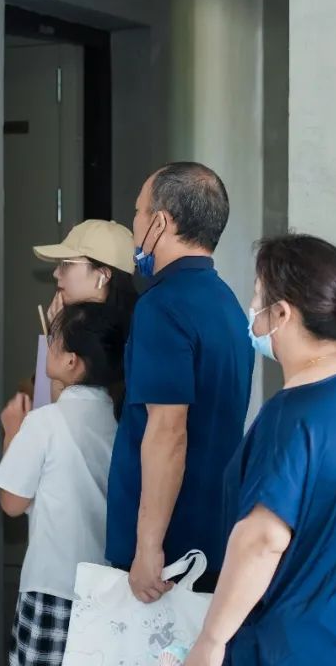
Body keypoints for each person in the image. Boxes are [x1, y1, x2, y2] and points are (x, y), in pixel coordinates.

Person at [182, 234, 336, 666]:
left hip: (301, 649)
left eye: (257, 296)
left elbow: (263, 539)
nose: (252, 309)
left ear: (282, 313)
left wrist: (210, 641)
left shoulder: (292, 418)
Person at [107, 162, 254, 602]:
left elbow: (168, 431)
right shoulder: (226, 303)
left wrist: (148, 547)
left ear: (160, 222)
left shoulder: (163, 307)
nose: (134, 225)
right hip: (213, 530)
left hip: (169, 550)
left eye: (138, 212)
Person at [0, 301, 128, 666]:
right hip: (106, 587)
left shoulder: (44, 423)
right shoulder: (120, 424)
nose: (47, 345)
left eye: (53, 340)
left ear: (71, 362)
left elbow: (11, 502)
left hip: (51, 586)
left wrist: (12, 432)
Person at [27, 220, 137, 406]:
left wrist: (57, 334)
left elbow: (63, 414)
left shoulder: (132, 339)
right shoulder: (70, 325)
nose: (56, 273)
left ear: (103, 275)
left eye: (66, 264)